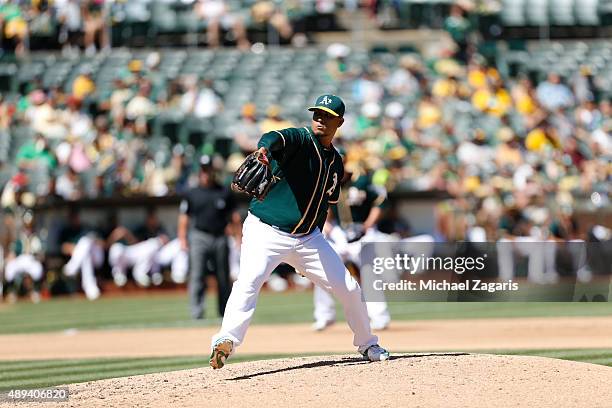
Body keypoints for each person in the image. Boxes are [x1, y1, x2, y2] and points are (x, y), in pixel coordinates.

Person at [209, 94, 390, 370]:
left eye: (327, 116)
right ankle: (225, 340)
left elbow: (324, 206)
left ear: (339, 122)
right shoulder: (301, 138)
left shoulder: (336, 163)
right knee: (248, 282)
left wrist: (312, 248)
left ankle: (368, 343)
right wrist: (263, 150)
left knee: (350, 288)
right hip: (265, 231)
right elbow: (275, 137)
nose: (320, 119)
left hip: (308, 238)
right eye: (317, 114)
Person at [178, 155, 239, 320]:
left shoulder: (224, 191)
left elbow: (234, 217)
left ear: (213, 171)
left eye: (208, 170)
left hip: (220, 237)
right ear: (200, 172)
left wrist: (238, 239)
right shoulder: (192, 193)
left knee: (223, 277)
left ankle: (224, 312)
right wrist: (182, 239)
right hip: (199, 236)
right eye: (203, 170)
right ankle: (196, 312)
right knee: (197, 275)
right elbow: (184, 218)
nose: (205, 173)